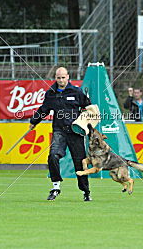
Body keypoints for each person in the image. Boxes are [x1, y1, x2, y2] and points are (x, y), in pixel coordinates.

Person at [29, 67, 92, 201]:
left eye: (63, 77)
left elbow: (89, 107)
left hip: (75, 132)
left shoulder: (76, 92)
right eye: (58, 78)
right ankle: (56, 186)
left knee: (80, 163)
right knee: (53, 156)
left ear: (68, 77)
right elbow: (44, 109)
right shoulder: (51, 93)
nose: (61, 80)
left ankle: (86, 191)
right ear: (55, 78)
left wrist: (87, 123)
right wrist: (34, 121)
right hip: (59, 131)